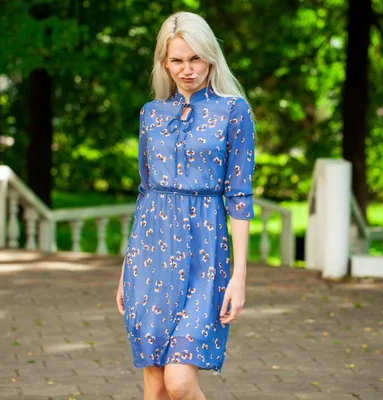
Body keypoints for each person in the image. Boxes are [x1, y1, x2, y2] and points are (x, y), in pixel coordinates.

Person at [116, 11, 255, 400]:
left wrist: (239, 276)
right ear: (164, 63)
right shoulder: (151, 115)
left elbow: (240, 196)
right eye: (177, 60)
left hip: (205, 257)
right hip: (150, 256)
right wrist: (127, 265)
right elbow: (146, 193)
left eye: (196, 59)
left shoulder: (233, 111)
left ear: (211, 58)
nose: (187, 69)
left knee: (179, 381)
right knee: (156, 383)